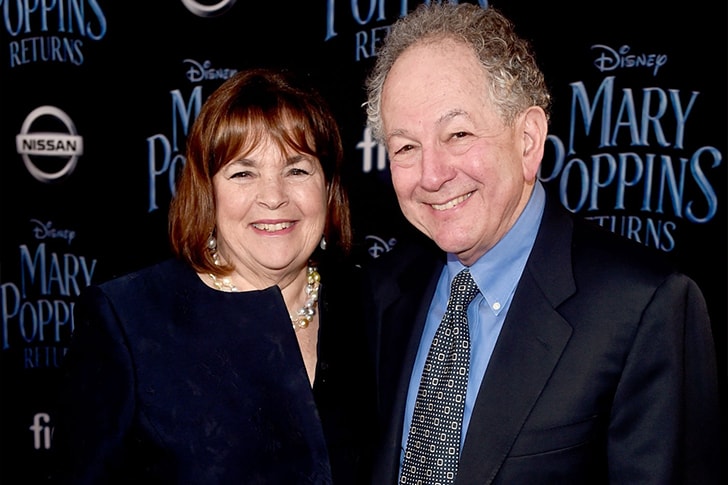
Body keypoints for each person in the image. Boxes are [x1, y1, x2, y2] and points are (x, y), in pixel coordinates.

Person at [361, 2, 723, 484]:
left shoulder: (644, 307)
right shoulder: (384, 292)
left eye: (458, 134)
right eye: (406, 146)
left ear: (528, 140)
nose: (431, 175)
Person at [49, 67, 375, 484]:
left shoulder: (371, 306)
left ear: (328, 187)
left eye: (297, 170)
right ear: (208, 191)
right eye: (243, 173)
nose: (273, 197)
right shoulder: (130, 320)